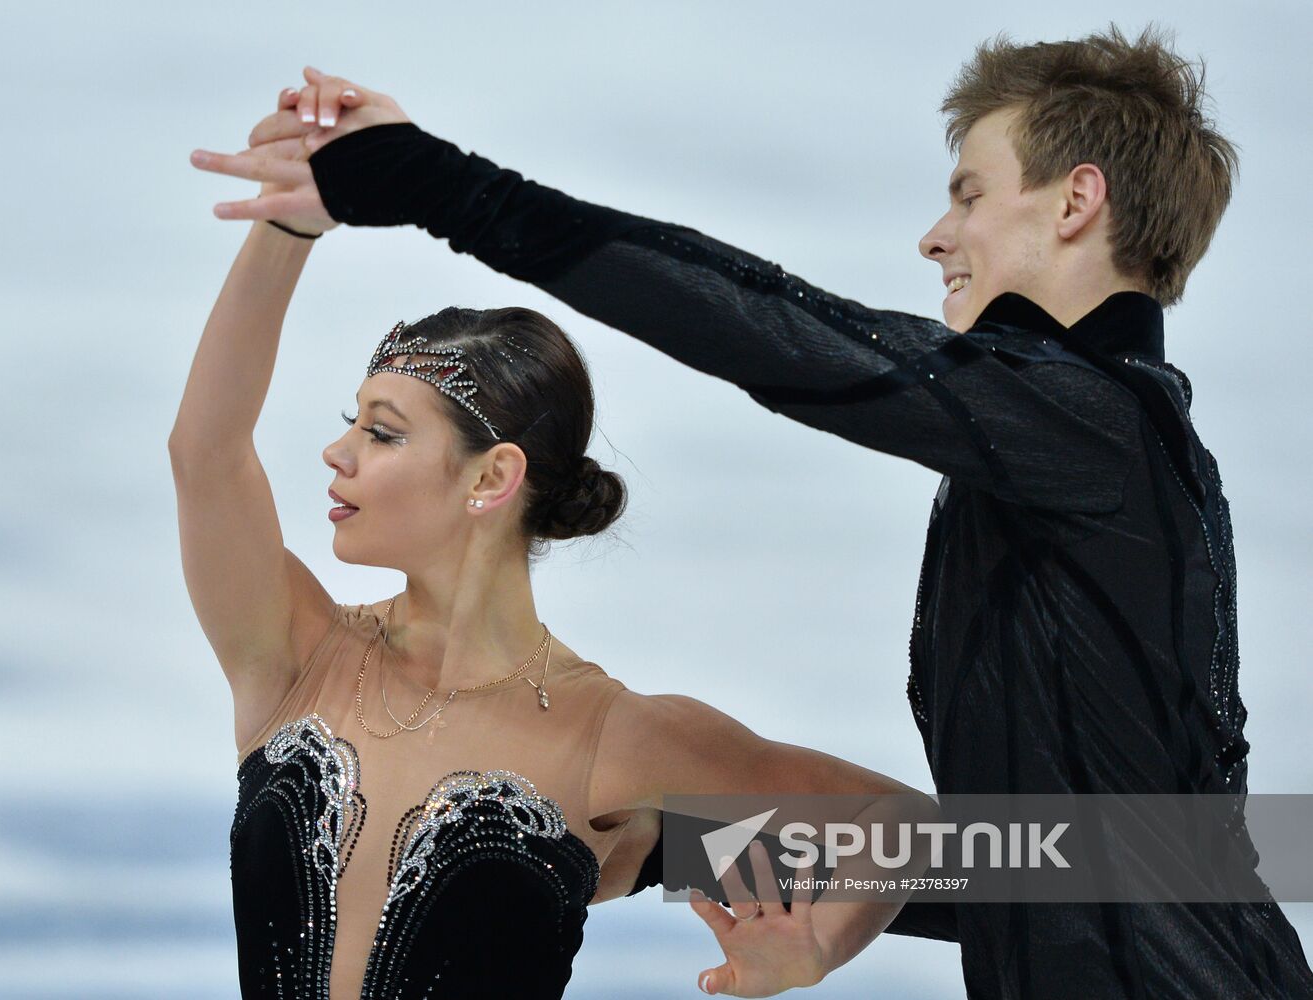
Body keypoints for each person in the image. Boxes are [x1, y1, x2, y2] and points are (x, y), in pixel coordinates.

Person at [191, 20, 1313, 1000]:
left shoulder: (1093, 426)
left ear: (1076, 200)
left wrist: (434, 185)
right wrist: (670, 852)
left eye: (968, 191)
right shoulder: (1051, 467)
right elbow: (1078, 861)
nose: (934, 235)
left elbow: (774, 332)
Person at [168, 199, 937, 993]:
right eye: (351, 423)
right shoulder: (297, 654)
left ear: (492, 477)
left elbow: (934, 838)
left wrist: (819, 951)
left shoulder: (614, 739)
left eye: (382, 432)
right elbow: (205, 453)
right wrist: (288, 228)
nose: (338, 451)